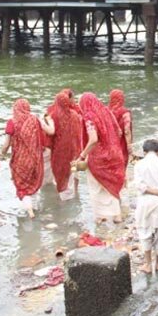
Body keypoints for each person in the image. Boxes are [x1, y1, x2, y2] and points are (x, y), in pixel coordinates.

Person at [76, 92, 125, 224]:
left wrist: (82, 155)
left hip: (99, 157)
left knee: (95, 187)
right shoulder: (106, 112)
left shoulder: (88, 116)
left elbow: (93, 139)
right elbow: (119, 132)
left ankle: (99, 217)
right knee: (112, 184)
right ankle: (117, 216)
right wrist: (111, 143)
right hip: (115, 153)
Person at [134, 139, 158, 274]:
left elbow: (139, 185)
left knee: (144, 231)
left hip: (144, 201)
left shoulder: (139, 165)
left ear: (144, 152)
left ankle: (147, 264)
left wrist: (152, 191)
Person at [0, 99, 46, 218]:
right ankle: (35, 209)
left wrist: (1, 155)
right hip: (35, 158)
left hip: (20, 160)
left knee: (22, 187)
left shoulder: (12, 122)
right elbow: (42, 140)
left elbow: (6, 144)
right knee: (34, 184)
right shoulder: (35, 120)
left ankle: (29, 211)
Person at [48, 90, 82, 200]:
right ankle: (73, 199)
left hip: (59, 154)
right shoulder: (75, 115)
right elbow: (78, 134)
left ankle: (64, 202)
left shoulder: (53, 116)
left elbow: (49, 136)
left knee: (60, 175)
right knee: (71, 174)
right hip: (73, 152)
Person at [108, 89, 133, 177]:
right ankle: (121, 187)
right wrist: (129, 146)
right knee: (121, 168)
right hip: (121, 145)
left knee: (111, 169)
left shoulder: (106, 111)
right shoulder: (125, 112)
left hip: (109, 145)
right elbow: (126, 130)